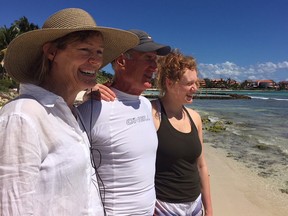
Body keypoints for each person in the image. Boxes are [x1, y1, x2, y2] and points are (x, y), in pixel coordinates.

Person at [0, 8, 138, 215]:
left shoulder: (71, 112)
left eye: (99, 52)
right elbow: (12, 207)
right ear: (52, 52)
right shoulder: (22, 117)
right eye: (85, 50)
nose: (96, 61)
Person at [77, 29, 171, 215]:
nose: (155, 67)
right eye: (148, 58)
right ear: (121, 61)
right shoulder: (94, 108)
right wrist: (85, 92)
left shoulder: (145, 105)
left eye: (155, 60)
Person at [151, 50, 213, 216]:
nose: (195, 88)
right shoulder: (151, 113)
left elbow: (201, 165)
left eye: (197, 83)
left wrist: (209, 209)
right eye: (189, 84)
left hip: (195, 205)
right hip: (164, 207)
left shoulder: (195, 118)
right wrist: (96, 90)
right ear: (169, 83)